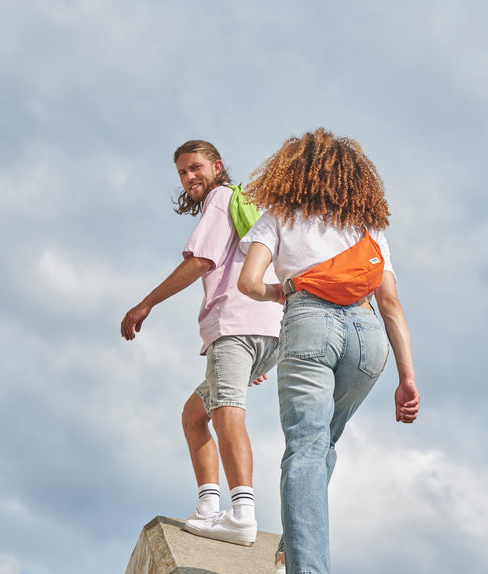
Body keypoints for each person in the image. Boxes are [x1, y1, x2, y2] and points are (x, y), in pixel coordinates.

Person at [237, 128, 420, 573]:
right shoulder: (367, 228)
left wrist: (279, 292)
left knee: (305, 446)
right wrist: (407, 377)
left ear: (291, 171)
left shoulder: (279, 216)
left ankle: (305, 568)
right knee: (322, 444)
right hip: (368, 337)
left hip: (310, 323)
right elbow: (390, 303)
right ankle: (290, 549)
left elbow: (247, 282)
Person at [120, 140, 283, 546]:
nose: (189, 177)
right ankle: (210, 506)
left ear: (217, 166)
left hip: (235, 322)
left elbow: (199, 261)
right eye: (182, 172)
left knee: (228, 411)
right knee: (194, 416)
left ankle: (242, 513)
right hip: (266, 329)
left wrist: (146, 304)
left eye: (195, 168)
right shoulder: (245, 203)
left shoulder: (221, 197)